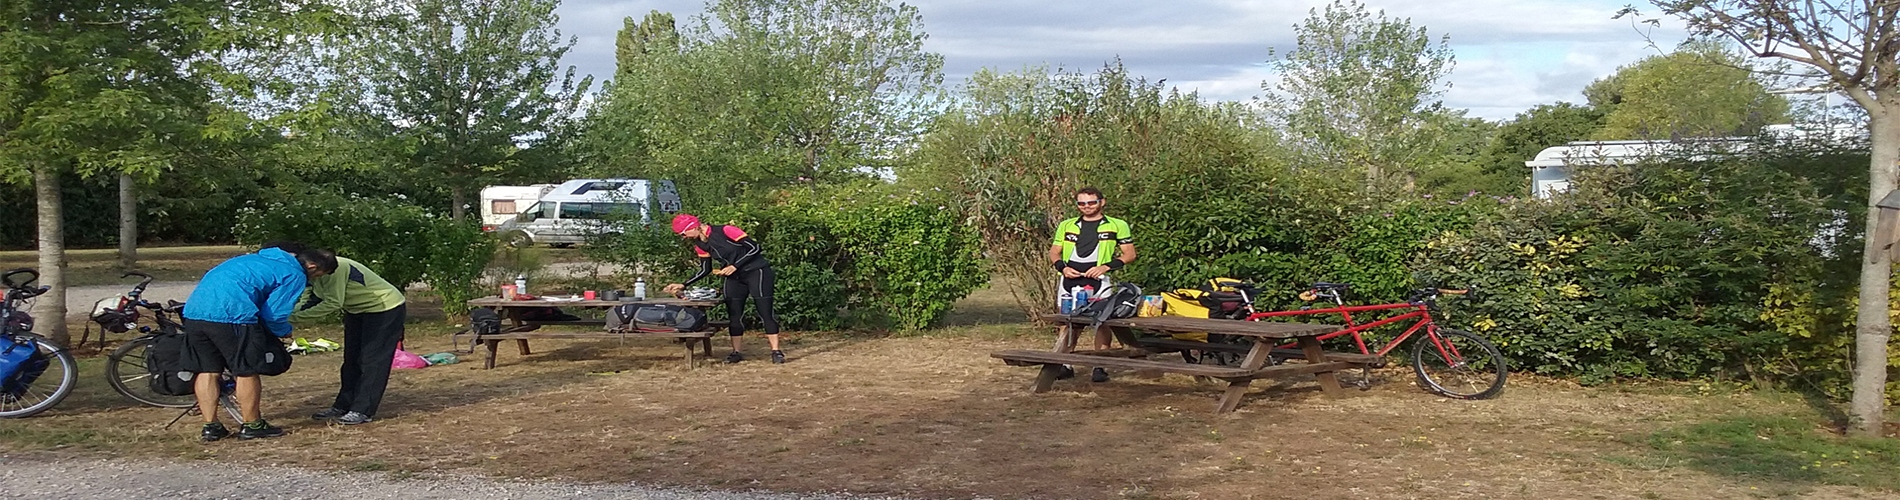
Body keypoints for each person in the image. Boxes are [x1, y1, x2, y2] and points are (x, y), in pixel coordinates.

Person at [181, 242, 337, 442]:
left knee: (208, 370)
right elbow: (274, 313)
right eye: (318, 276)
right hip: (231, 316)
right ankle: (253, 425)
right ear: (312, 267)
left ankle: (211, 426)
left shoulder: (256, 258)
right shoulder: (294, 273)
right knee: (246, 370)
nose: (313, 281)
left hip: (195, 313)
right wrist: (283, 331)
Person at [288, 251, 406, 426]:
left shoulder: (335, 268)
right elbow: (309, 296)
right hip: (356, 310)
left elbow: (333, 302)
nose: (320, 277)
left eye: (321, 275)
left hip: (384, 308)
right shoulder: (305, 270)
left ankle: (362, 410)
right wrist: (290, 314)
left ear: (313, 267)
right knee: (351, 359)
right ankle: (342, 406)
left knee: (372, 360)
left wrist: (293, 319)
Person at [662, 213, 786, 364]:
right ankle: (736, 352)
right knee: (734, 314)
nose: (684, 237)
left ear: (693, 227)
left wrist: (735, 266)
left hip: (757, 272)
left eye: (683, 233)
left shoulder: (726, 230)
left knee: (765, 312)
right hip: (734, 277)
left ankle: (776, 351)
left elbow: (755, 248)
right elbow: (705, 269)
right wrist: (684, 284)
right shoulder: (700, 244)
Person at [1049, 187, 1136, 382]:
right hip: (1070, 279)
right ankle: (1065, 364)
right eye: (1081, 203)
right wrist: (1062, 267)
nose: (1086, 207)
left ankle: (1100, 366)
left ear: (1101, 202)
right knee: (1067, 322)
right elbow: (1054, 251)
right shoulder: (1066, 225)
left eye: (1091, 202)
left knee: (1101, 323)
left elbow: (1130, 254)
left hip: (1099, 280)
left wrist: (1106, 267)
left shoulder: (1117, 225)